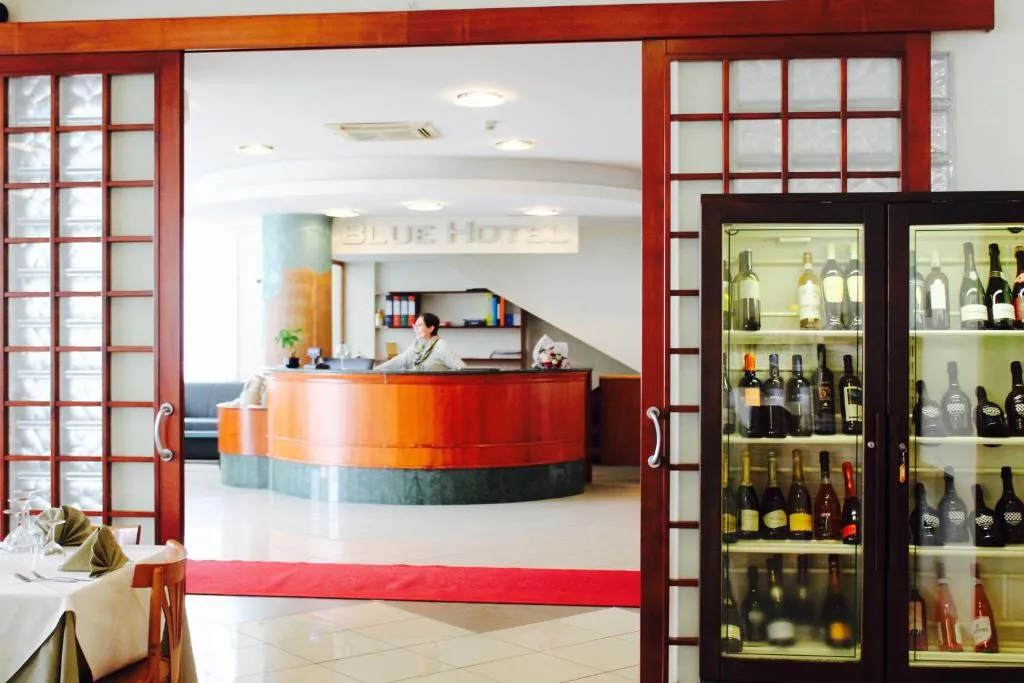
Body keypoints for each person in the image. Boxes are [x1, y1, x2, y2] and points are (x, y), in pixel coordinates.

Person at [374, 312, 467, 371]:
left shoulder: (441, 345)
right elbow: (401, 360)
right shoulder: (416, 345)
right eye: (415, 325)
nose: (416, 328)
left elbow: (462, 369)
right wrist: (375, 371)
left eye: (419, 325)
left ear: (431, 328)